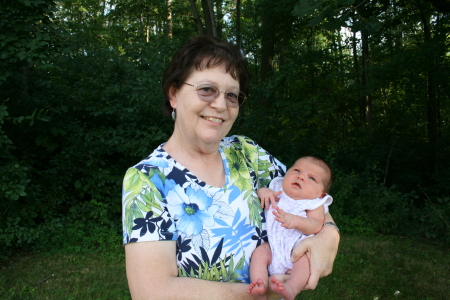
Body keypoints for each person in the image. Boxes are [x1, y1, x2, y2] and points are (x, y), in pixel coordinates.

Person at [122, 35, 340, 300]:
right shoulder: (147, 180)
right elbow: (152, 293)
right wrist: (263, 292)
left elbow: (307, 195)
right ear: (173, 93)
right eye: (207, 89)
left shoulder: (246, 151)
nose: (220, 105)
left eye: (232, 95)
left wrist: (329, 235)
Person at [247, 156, 334, 300]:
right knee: (260, 253)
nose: (301, 176)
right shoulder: (277, 188)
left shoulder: (313, 203)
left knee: (305, 260)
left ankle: (291, 287)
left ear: (321, 194)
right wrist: (264, 192)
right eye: (297, 170)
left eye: (312, 178)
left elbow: (316, 224)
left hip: (296, 249)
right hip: (274, 248)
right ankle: (260, 286)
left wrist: (296, 221)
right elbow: (261, 191)